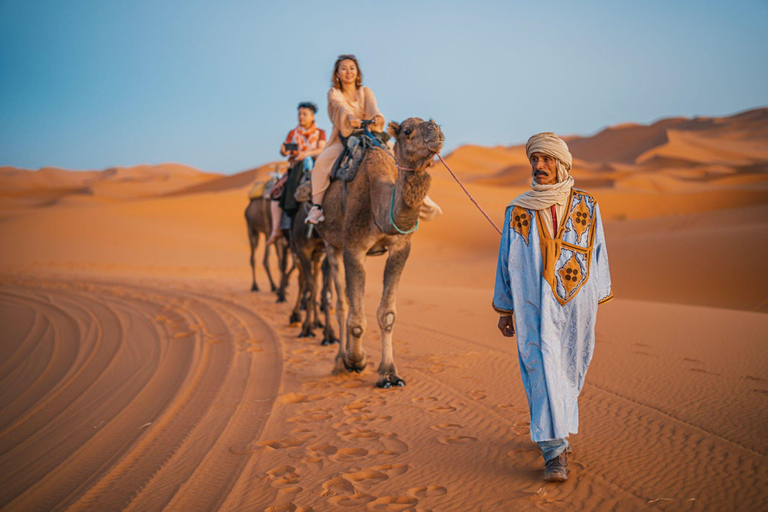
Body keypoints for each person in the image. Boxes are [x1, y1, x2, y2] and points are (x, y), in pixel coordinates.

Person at [493, 132, 613, 482]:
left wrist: (595, 300)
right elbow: (505, 261)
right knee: (541, 368)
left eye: (546, 159)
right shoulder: (518, 210)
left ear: (562, 163)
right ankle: (554, 452)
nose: (539, 165)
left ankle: (557, 426)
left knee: (570, 370)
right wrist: (505, 308)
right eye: (534, 159)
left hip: (576, 307)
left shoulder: (587, 206)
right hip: (533, 307)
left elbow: (600, 253)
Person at [305, 54, 385, 224]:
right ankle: (317, 207)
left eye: (352, 68)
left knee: (394, 154)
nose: (348, 72)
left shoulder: (365, 91)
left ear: (357, 73)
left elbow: (373, 107)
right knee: (321, 164)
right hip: (343, 138)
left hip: (368, 133)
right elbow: (340, 106)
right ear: (337, 74)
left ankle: (415, 200)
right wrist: (349, 118)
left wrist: (377, 116)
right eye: (344, 68)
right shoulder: (334, 92)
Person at [267, 102, 327, 244]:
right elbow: (285, 150)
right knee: (276, 191)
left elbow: (321, 149)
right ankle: (276, 230)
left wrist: (306, 154)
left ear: (312, 116)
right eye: (300, 114)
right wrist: (284, 150)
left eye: (305, 114)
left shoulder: (320, 133)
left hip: (316, 168)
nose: (301, 117)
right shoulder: (293, 133)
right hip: (294, 168)